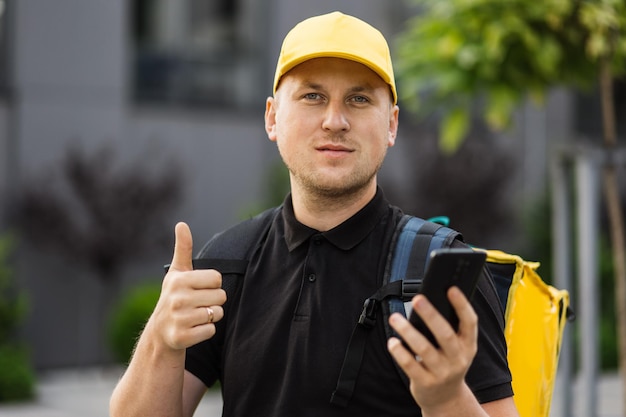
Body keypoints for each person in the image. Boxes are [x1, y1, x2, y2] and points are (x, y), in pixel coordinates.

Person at [110, 11, 520, 417]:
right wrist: (161, 338)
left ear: (392, 124)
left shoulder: (438, 271)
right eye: (313, 96)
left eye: (359, 99)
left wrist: (447, 397)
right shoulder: (228, 263)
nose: (335, 121)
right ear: (272, 117)